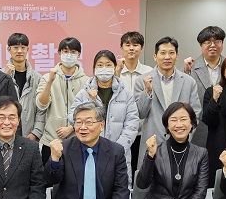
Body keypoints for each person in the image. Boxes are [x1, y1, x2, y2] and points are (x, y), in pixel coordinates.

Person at [69, 50, 139, 184]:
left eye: (108, 65)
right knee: (90, 190)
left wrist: (117, 149)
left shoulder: (125, 93)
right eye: (100, 65)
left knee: (118, 189)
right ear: (94, 69)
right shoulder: (84, 92)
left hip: (119, 153)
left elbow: (132, 123)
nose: (104, 69)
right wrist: (90, 101)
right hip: (89, 151)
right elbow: (72, 117)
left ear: (114, 67)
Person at [134, 37, 201, 169]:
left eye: (171, 53)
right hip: (152, 144)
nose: (167, 57)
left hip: (181, 144)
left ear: (177, 56)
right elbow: (140, 113)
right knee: (148, 185)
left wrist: (185, 136)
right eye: (163, 53)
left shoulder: (188, 82)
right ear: (155, 56)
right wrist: (147, 92)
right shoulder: (142, 80)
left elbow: (196, 114)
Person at [36, 37, 88, 163]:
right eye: (65, 52)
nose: (69, 55)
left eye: (73, 52)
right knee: (50, 178)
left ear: (79, 54)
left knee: (74, 180)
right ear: (59, 53)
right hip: (51, 140)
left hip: (77, 139)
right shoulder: (47, 77)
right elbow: (41, 105)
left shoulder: (86, 81)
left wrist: (71, 128)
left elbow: (88, 110)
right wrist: (50, 82)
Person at [181, 26, 226, 147]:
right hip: (199, 128)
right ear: (201, 45)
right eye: (207, 42)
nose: (213, 45)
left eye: (217, 41)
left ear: (222, 43)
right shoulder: (191, 67)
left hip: (224, 127)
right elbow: (183, 96)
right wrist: (185, 73)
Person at [116, 31, 153, 173]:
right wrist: (117, 73)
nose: (132, 48)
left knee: (141, 170)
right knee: (121, 171)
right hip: (121, 132)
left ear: (141, 48)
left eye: (136, 45)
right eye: (128, 45)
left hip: (142, 133)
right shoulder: (115, 72)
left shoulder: (149, 72)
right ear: (121, 48)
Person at [2, 33, 44, 141]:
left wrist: (36, 133)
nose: (19, 51)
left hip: (30, 136)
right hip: (5, 134)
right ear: (9, 49)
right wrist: (5, 78)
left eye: (23, 48)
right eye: (15, 48)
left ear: (27, 50)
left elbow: (41, 109)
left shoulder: (38, 78)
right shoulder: (0, 75)